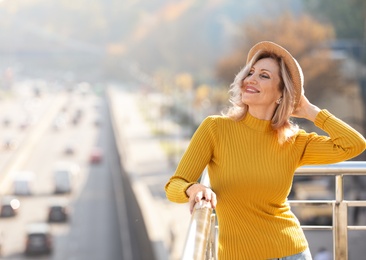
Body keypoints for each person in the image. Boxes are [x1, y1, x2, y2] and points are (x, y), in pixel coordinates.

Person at [164, 41, 366, 259]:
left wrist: (310, 111)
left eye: (264, 75)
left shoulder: (294, 141)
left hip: (291, 252)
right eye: (250, 72)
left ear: (281, 93)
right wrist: (193, 189)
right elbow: (174, 185)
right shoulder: (215, 128)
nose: (251, 79)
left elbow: (354, 144)